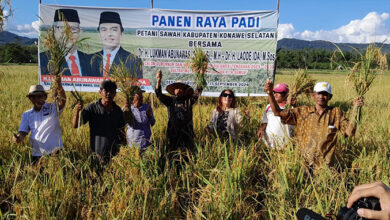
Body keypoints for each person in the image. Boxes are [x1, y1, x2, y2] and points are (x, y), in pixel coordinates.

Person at [264, 80, 364, 169]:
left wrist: (355, 109)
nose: (321, 97)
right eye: (318, 94)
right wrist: (270, 93)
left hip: (325, 167)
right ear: (313, 95)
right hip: (303, 164)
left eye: (325, 94)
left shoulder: (336, 113)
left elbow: (350, 132)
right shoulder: (302, 111)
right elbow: (277, 112)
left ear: (330, 97)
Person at [13, 76, 66, 162]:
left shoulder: (52, 108)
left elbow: (62, 101)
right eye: (34, 97)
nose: (37, 99)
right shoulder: (27, 114)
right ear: (30, 99)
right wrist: (18, 137)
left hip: (55, 153)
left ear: (45, 97)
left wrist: (59, 85)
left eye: (40, 96)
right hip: (37, 155)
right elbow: (23, 131)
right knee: (38, 175)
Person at [72, 80, 126, 163]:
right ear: (100, 92)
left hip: (115, 156)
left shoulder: (118, 111)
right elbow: (75, 125)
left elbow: (121, 132)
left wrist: (124, 150)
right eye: (106, 91)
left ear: (115, 94)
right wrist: (77, 111)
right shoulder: (91, 108)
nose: (108, 94)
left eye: (111, 91)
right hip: (97, 154)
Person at [155, 70, 202, 151]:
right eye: (177, 88)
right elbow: (159, 94)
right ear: (173, 91)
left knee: (188, 155)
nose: (179, 90)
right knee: (173, 154)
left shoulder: (189, 100)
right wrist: (158, 81)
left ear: (184, 91)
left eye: (181, 88)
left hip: (187, 133)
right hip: (173, 133)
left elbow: (198, 91)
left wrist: (201, 75)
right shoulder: (170, 101)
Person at [40, 9, 94, 76]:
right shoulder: (44, 59)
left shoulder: (92, 60)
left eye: (73, 29)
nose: (68, 33)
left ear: (80, 32)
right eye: (63, 28)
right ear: (53, 31)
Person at [91, 11, 143, 78]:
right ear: (99, 34)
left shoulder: (133, 60)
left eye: (114, 30)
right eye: (104, 30)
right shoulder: (91, 59)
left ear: (121, 33)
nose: (109, 34)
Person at [257, 83, 295, 149]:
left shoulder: (290, 108)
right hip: (269, 142)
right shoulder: (268, 107)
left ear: (286, 95)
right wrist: (261, 129)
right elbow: (265, 122)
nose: (275, 94)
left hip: (284, 145)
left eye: (279, 93)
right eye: (274, 92)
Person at [123, 86, 155, 153]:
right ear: (132, 96)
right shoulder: (127, 109)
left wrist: (149, 116)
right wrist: (126, 113)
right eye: (138, 94)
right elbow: (123, 124)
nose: (141, 96)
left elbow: (153, 123)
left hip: (147, 144)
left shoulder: (147, 107)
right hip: (133, 146)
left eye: (141, 94)